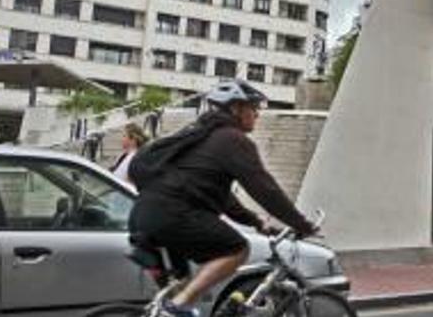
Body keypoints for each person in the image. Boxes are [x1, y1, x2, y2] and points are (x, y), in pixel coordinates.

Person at [129, 79, 316, 317]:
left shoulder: (199, 135)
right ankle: (178, 306)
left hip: (144, 215)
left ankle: (172, 306)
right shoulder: (232, 140)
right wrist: (300, 223)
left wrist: (256, 221)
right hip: (175, 215)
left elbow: (224, 198)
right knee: (236, 248)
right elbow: (264, 188)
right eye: (253, 107)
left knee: (184, 283)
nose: (257, 114)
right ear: (236, 109)